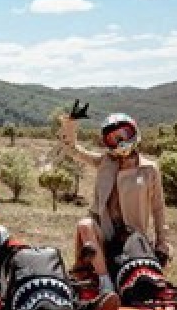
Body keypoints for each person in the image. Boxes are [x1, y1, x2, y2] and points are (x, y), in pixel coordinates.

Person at [58, 112, 170, 297]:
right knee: (84, 224)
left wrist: (162, 244)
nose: (118, 141)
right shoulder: (104, 162)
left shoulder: (150, 169)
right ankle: (105, 283)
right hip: (105, 232)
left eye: (122, 134)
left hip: (133, 236)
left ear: (133, 133)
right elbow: (72, 150)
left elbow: (158, 209)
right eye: (112, 138)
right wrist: (69, 124)